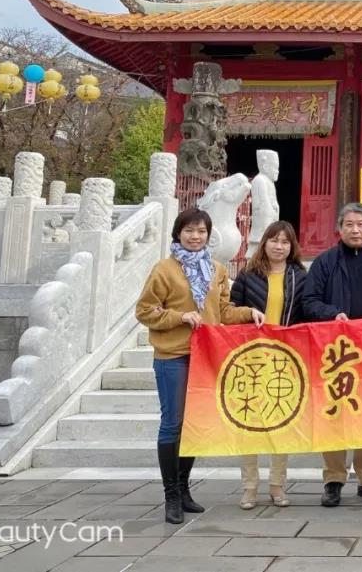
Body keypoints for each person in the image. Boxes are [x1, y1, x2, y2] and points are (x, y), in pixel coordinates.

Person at [135, 208, 265, 524]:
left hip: (204, 357)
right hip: (172, 355)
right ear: (178, 234)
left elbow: (221, 311)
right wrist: (178, 317)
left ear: (209, 235)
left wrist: (249, 313)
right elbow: (144, 311)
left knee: (193, 424)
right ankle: (171, 496)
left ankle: (184, 490)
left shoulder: (217, 269)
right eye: (189, 231)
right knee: (173, 422)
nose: (195, 236)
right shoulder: (164, 269)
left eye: (201, 231)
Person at [303, 202, 362, 508]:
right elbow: (309, 300)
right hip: (336, 352)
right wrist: (333, 314)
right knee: (335, 413)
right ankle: (333, 479)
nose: (356, 230)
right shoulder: (325, 262)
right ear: (339, 229)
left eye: (361, 225)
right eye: (350, 225)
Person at [230, 220, 309, 509]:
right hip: (251, 359)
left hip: (286, 362)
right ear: (264, 243)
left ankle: (277, 485)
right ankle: (249, 487)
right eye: (274, 240)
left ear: (292, 247)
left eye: (285, 242)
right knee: (250, 425)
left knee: (281, 426)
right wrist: (248, 313)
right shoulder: (248, 275)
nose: (279, 246)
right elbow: (229, 312)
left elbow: (307, 313)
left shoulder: (299, 276)